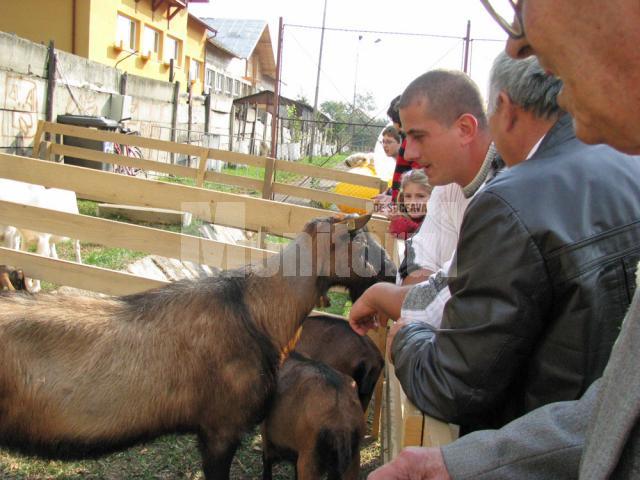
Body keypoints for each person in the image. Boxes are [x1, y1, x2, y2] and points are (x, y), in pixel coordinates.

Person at [368, 1, 640, 477]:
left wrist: (405, 336)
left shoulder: (509, 199)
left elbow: (450, 384)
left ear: (501, 112)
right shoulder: (625, 168)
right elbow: (617, 403)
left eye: (417, 136)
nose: (515, 40)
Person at [388, 169, 433, 240]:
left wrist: (398, 220)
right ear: (402, 198)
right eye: (408, 196)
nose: (413, 202)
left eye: (420, 196)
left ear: (433, 197)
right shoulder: (401, 218)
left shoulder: (434, 224)